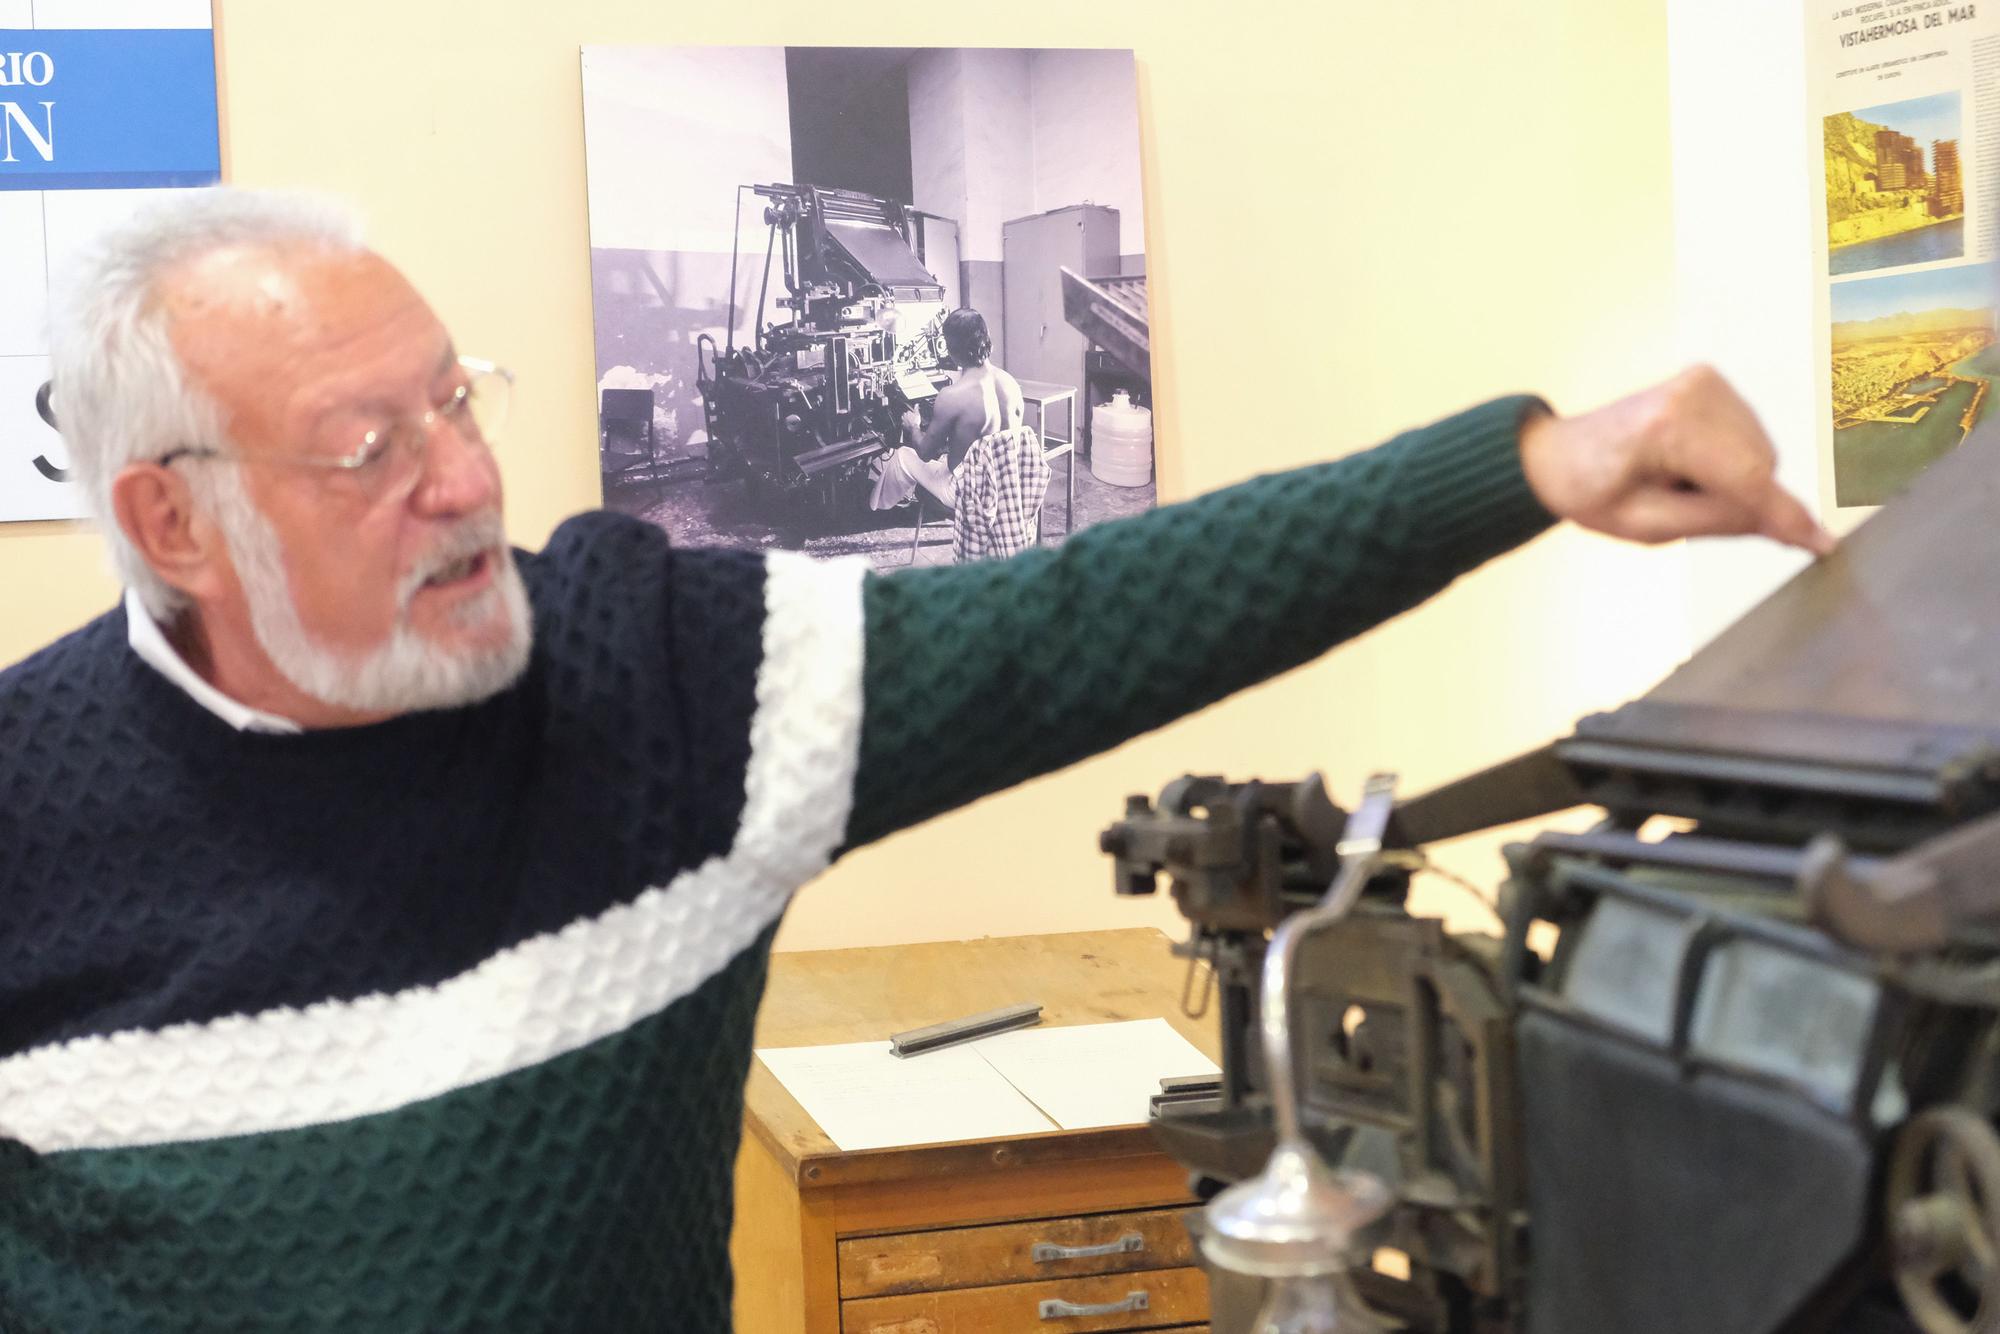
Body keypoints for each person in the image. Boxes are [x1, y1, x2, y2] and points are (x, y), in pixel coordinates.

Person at [0, 188, 1828, 1334]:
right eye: (366, 444)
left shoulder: (661, 691)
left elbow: (1084, 618)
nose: (464, 476)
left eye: (454, 398)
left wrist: (1525, 466)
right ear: (171, 518)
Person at [870, 305, 1024, 513]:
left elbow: (924, 453)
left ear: (950, 349)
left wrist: (913, 427)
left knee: (903, 455)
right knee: (943, 459)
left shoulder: (951, 395)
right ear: (986, 338)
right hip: (1007, 485)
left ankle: (876, 508)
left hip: (967, 493)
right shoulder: (1010, 382)